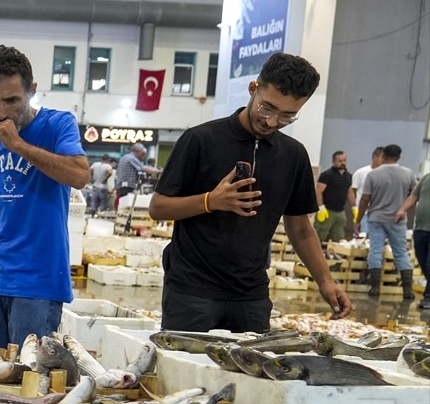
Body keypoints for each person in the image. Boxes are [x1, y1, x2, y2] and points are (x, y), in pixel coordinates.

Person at [148, 52, 351, 331]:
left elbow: (301, 228)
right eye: (267, 108)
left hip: (251, 296)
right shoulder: (200, 140)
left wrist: (326, 281)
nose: (271, 122)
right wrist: (210, 201)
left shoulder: (293, 156)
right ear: (253, 88)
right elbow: (158, 207)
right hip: (191, 292)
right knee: (181, 370)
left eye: (287, 116)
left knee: (249, 373)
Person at [0, 45, 89, 348]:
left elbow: (80, 175)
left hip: (39, 282)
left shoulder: (58, 125)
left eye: (12, 100)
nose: (1, 112)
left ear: (32, 90)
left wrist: (19, 146)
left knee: (29, 379)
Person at [356, 144, 417, 300]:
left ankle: (375, 288)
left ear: (383, 156)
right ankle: (407, 291)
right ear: (399, 157)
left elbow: (365, 199)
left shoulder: (373, 175)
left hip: (376, 218)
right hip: (398, 219)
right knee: (401, 252)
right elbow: (414, 195)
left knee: (375, 251)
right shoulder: (408, 174)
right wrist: (403, 209)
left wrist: (358, 219)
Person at [396, 169, 430, 308]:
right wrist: (402, 209)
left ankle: (428, 298)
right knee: (422, 261)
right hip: (421, 228)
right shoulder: (426, 177)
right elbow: (413, 196)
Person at [314, 149, 353, 245]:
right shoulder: (326, 175)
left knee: (339, 237)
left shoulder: (348, 176)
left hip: (340, 212)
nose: (343, 163)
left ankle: (332, 256)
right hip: (327, 211)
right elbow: (318, 192)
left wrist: (354, 207)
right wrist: (321, 207)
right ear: (333, 162)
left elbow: (350, 193)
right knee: (320, 235)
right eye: (340, 161)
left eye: (344, 160)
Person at [350, 146, 384, 236]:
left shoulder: (385, 174)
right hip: (363, 212)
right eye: (382, 157)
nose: (383, 160)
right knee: (361, 236)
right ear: (374, 157)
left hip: (379, 214)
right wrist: (354, 207)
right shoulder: (361, 172)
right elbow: (353, 191)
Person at [114, 143, 159, 207]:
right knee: (127, 205)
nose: (144, 156)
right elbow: (144, 168)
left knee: (122, 204)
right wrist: (160, 171)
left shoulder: (125, 157)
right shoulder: (132, 158)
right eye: (142, 153)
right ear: (137, 151)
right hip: (127, 186)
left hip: (122, 186)